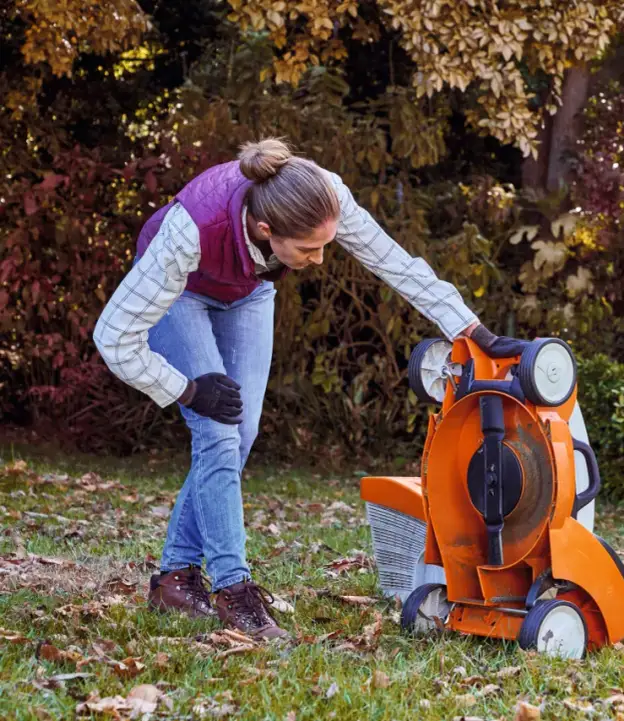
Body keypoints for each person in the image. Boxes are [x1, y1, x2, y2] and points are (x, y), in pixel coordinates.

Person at [93, 138, 519, 640]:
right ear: (265, 229)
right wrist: (186, 390)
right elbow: (114, 337)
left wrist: (471, 329)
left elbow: (394, 262)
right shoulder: (187, 232)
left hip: (248, 293)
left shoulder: (322, 194)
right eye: (308, 249)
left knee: (240, 433)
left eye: (324, 246)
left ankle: (175, 580)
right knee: (218, 433)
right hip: (181, 292)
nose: (319, 260)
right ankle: (234, 591)